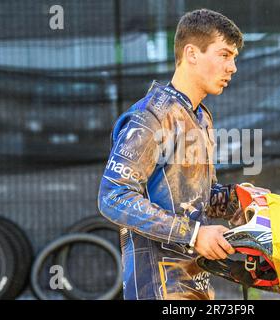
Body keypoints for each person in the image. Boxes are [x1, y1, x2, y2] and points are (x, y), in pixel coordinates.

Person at [98, 8, 245, 300]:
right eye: (225, 55)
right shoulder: (152, 115)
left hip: (196, 281)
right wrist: (194, 234)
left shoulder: (201, 116)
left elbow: (194, 200)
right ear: (192, 53)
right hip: (157, 288)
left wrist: (237, 201)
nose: (233, 67)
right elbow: (113, 195)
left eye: (234, 58)